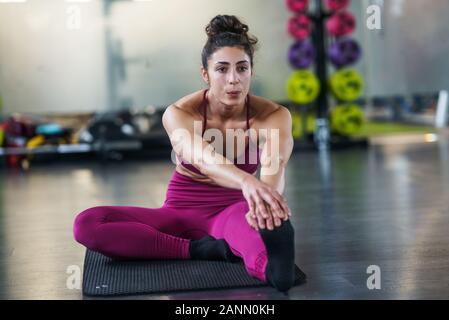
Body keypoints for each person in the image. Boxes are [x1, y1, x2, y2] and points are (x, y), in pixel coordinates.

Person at [73, 14, 306, 292]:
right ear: (205, 74)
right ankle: (200, 250)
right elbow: (201, 157)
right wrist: (246, 181)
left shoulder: (273, 115)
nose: (233, 80)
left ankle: (272, 268)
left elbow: (274, 163)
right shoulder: (181, 112)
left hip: (234, 211)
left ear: (251, 72)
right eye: (222, 69)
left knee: (261, 243)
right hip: (179, 211)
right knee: (87, 224)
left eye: (242, 68)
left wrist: (266, 203)